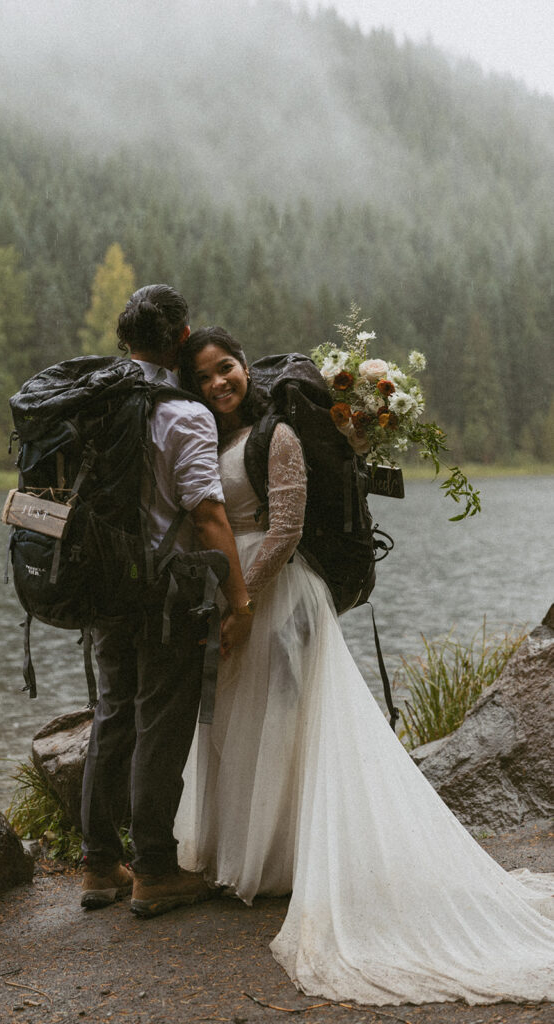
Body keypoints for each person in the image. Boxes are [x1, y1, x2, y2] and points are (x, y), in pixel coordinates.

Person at [174, 325, 554, 1005]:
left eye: (224, 368)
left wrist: (241, 601)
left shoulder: (276, 436)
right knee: (242, 721)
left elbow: (286, 528)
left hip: (279, 598)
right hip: (233, 596)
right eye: (202, 377)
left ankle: (287, 862)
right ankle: (254, 859)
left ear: (242, 366)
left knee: (290, 726)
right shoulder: (216, 441)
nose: (216, 384)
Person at [80, 288, 254, 919]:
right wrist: (240, 599)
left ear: (125, 342)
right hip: (166, 590)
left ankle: (99, 864)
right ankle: (154, 869)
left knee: (113, 713)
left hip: (103, 584)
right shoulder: (185, 414)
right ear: (182, 339)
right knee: (160, 722)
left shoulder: (98, 398)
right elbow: (207, 515)